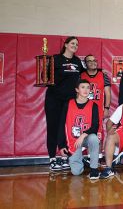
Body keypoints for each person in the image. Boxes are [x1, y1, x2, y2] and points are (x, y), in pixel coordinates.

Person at [45, 36, 84, 171]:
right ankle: (52, 158)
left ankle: (64, 156)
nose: (74, 46)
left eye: (77, 44)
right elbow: (46, 77)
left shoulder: (77, 61)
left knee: (66, 129)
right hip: (54, 99)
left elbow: (83, 78)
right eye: (72, 43)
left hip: (69, 102)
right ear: (66, 45)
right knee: (53, 127)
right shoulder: (56, 59)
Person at [58, 79, 100, 179]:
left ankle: (94, 169)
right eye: (82, 87)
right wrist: (61, 144)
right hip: (72, 140)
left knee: (94, 138)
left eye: (88, 88)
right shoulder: (68, 104)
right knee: (76, 172)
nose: (86, 90)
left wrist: (83, 135)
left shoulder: (93, 105)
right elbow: (61, 125)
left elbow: (95, 126)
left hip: (86, 137)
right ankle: (81, 160)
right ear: (77, 90)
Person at [81, 54, 111, 143]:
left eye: (94, 60)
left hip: (98, 109)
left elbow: (108, 94)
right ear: (85, 64)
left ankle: (98, 155)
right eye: (89, 61)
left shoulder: (103, 76)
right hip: (84, 109)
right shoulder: (81, 75)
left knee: (99, 132)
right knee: (83, 130)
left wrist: (106, 108)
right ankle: (83, 154)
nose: (92, 62)